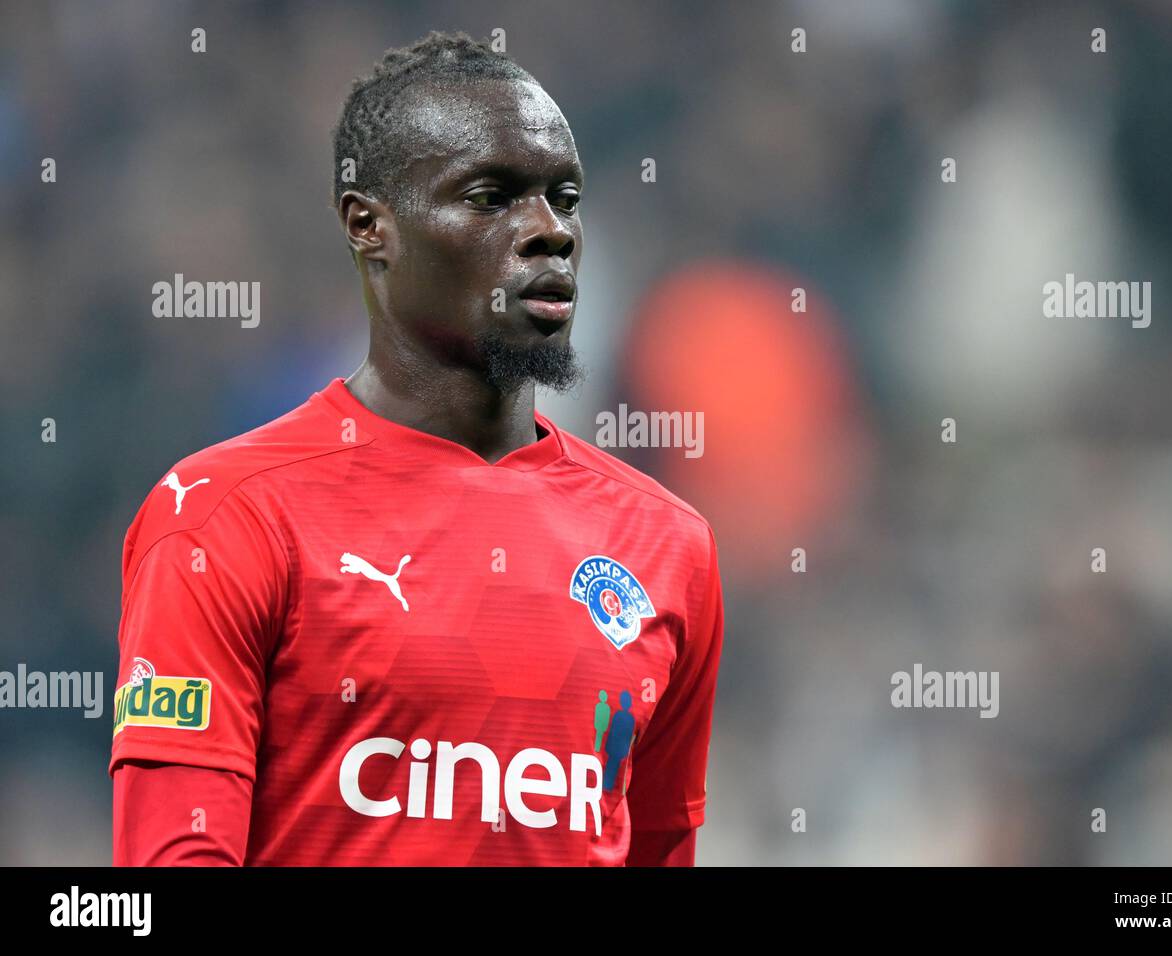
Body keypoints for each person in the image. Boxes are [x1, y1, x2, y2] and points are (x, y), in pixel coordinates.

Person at [110, 30, 725, 867]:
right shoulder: (224, 518)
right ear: (371, 226)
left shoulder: (669, 547)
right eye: (489, 196)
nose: (552, 232)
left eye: (566, 198)